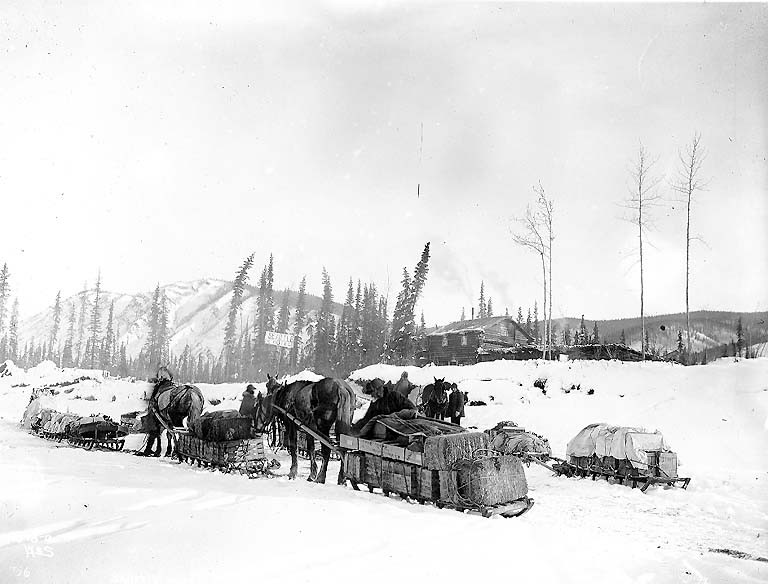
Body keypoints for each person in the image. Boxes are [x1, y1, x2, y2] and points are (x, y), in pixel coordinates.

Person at [353, 380, 418, 433]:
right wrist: (355, 428)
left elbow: (412, 409)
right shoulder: (375, 404)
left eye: (372, 393)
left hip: (401, 429)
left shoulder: (395, 396)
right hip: (384, 432)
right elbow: (367, 419)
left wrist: (395, 417)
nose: (372, 395)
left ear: (377, 390)